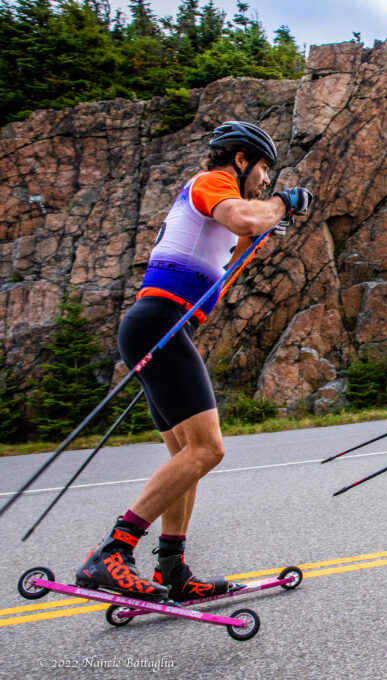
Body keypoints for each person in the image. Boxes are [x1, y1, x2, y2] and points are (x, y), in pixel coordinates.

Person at [76, 121, 312, 601]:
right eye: (264, 168)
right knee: (208, 450)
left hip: (163, 327)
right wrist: (282, 203)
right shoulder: (211, 183)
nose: (266, 179)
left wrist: (266, 223)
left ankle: (172, 570)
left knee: (187, 458)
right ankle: (111, 552)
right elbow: (247, 218)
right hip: (158, 323)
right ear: (241, 160)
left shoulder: (225, 204)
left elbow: (237, 245)